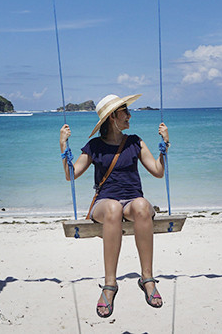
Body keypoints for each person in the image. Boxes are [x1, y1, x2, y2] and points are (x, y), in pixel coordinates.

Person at [59, 93, 170, 318]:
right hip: (105, 203)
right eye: (124, 112)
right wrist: (63, 144)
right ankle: (110, 284)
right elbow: (72, 174)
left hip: (131, 202)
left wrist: (164, 145)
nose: (129, 116)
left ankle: (147, 278)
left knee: (141, 206)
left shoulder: (135, 141)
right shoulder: (94, 146)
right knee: (113, 208)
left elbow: (158, 172)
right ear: (112, 118)